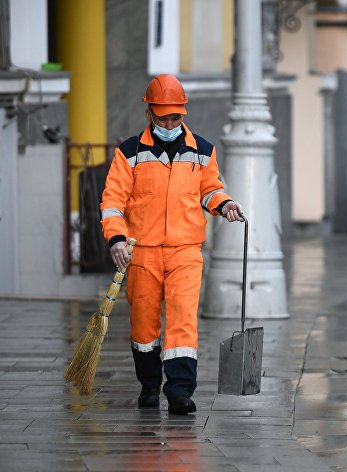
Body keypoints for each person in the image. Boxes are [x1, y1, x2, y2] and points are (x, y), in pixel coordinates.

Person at [100, 74, 244, 414]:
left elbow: (210, 188)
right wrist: (116, 239)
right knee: (144, 324)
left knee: (182, 319)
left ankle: (180, 391)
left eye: (175, 116)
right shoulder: (129, 153)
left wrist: (224, 204)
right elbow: (112, 202)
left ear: (183, 114)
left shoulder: (202, 150)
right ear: (149, 113)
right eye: (163, 116)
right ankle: (149, 384)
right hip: (142, 252)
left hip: (185, 250)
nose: (169, 122)